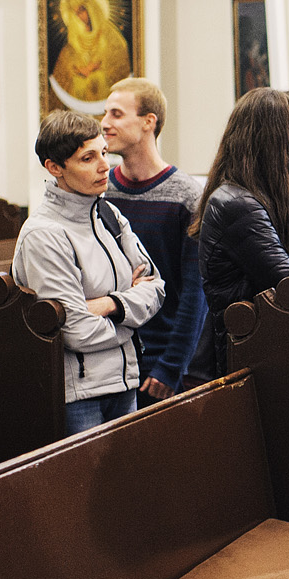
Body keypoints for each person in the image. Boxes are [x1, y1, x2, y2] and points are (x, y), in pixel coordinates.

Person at [13, 110, 166, 435]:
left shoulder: (108, 214)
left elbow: (157, 289)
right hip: (79, 393)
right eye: (87, 158)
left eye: (104, 153)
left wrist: (112, 304)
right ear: (55, 167)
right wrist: (132, 324)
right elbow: (76, 331)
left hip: (124, 380)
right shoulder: (45, 234)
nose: (103, 166)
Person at [194, 88, 289, 376]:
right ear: (271, 145)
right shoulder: (237, 205)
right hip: (245, 357)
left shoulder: (245, 197)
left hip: (254, 350)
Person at [102, 77, 208, 407]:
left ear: (149, 122)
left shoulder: (188, 196)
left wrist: (172, 366)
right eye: (105, 113)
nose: (104, 124)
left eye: (117, 114)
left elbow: (194, 292)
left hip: (159, 363)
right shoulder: (101, 191)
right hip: (106, 355)